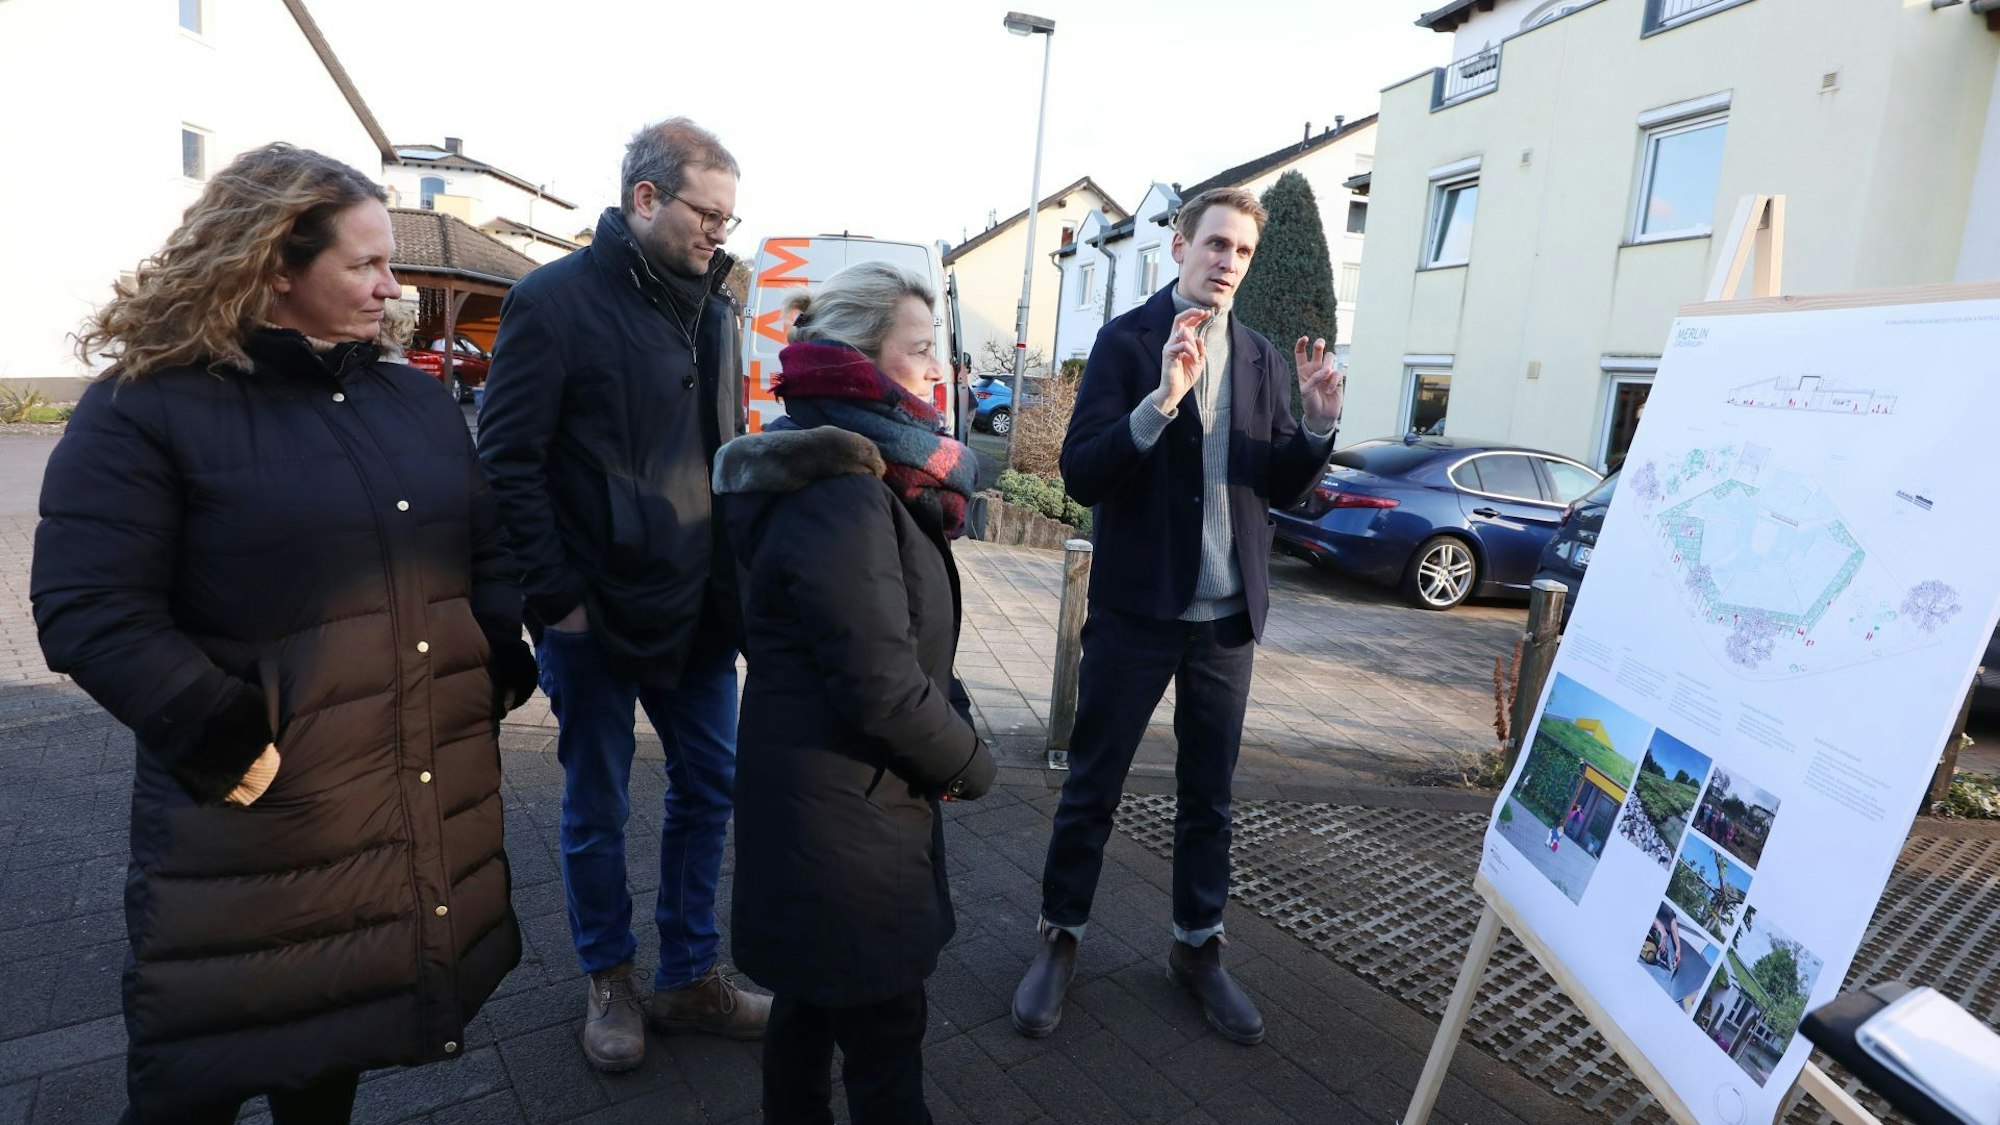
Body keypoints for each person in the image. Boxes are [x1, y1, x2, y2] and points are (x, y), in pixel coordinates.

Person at [31, 142, 538, 1124]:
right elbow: (89, 604)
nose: (392, 288)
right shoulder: (147, 406)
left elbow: (487, 542)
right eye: (366, 265)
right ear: (274, 265)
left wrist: (495, 656)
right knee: (201, 1069)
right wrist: (223, 736)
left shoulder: (411, 401)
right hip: (246, 820)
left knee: (331, 1051)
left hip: (388, 808)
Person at [1010, 188, 1344, 1047]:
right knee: (1094, 782)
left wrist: (1315, 424)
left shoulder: (1267, 359)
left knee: (1210, 796)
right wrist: (1161, 402)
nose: (1228, 262)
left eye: (1241, 252)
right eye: (1216, 245)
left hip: (1226, 620)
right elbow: (1082, 473)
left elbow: (1277, 486)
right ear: (1179, 245)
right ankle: (1059, 937)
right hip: (1136, 611)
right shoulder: (1124, 343)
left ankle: (1198, 949)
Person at [476, 116, 768, 1070]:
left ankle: (688, 974)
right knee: (596, 803)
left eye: (729, 217)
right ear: (646, 198)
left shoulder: (719, 310)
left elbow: (724, 457)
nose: (719, 232)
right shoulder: (553, 302)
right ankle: (610, 977)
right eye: (706, 213)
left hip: (698, 615)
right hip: (591, 616)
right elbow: (507, 461)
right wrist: (556, 600)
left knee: (712, 787)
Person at [712, 261, 996, 1123]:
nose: (938, 372)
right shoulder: (843, 493)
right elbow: (879, 683)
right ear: (864, 363)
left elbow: (899, 647)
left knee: (810, 1009)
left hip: (831, 807)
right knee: (881, 1043)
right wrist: (971, 762)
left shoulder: (858, 474)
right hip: (846, 823)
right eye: (919, 351)